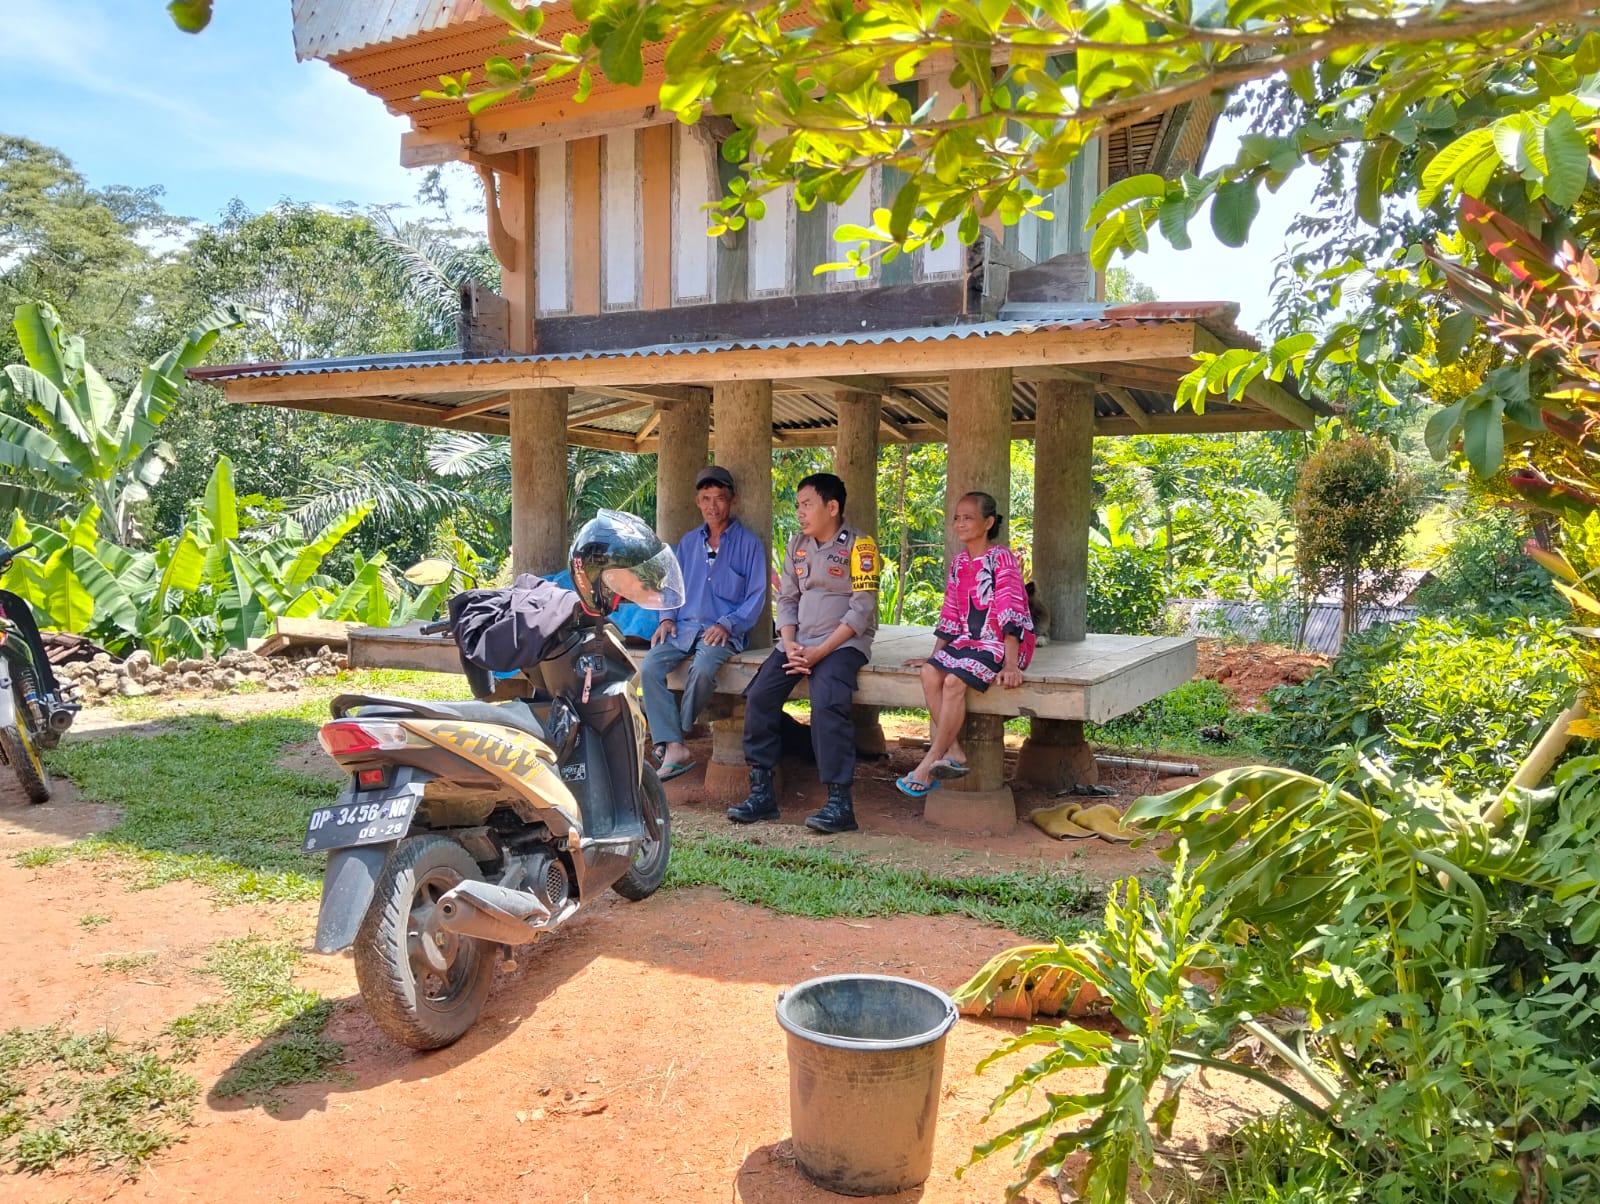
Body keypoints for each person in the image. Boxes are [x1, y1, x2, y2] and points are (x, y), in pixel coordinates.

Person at [728, 472, 879, 834]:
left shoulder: (861, 547)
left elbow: (861, 610)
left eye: (807, 504)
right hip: (797, 643)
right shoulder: (797, 544)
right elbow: (788, 599)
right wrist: (790, 642)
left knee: (827, 702)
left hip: (841, 644)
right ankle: (762, 794)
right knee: (759, 697)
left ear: (832, 507)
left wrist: (819, 652)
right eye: (798, 505)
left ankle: (839, 803)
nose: (800, 512)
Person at [897, 491, 1034, 798]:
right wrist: (934, 657)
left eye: (968, 518)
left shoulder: (1002, 558)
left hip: (1000, 644)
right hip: (967, 642)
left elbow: (1011, 610)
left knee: (954, 681)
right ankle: (954, 751)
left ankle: (931, 759)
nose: (960, 523)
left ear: (988, 523)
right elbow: (950, 612)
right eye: (957, 518)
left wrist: (1011, 664)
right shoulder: (959, 562)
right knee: (929, 673)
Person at [638, 466, 769, 780]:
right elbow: (672, 588)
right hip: (684, 628)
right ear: (698, 502)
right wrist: (666, 618)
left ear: (733, 501)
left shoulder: (749, 544)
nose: (713, 505)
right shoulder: (687, 543)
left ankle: (676, 738)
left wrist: (727, 624)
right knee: (649, 666)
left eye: (720, 498)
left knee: (704, 668)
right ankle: (675, 745)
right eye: (706, 498)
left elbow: (756, 596)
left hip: (723, 632)